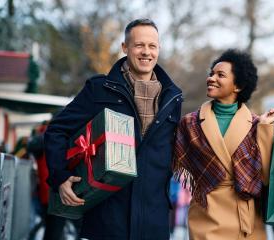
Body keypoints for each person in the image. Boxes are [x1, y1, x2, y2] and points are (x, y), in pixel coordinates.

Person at [44, 18, 183, 240]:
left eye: (152, 46)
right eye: (139, 45)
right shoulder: (99, 89)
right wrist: (60, 176)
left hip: (153, 223)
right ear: (125, 47)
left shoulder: (173, 98)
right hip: (107, 220)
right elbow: (56, 131)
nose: (146, 52)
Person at [173, 49, 274, 239]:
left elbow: (267, 177)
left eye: (220, 75)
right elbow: (173, 162)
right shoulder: (189, 123)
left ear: (237, 86)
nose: (211, 78)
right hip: (206, 216)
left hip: (246, 219)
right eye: (211, 73)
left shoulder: (258, 124)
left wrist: (265, 129)